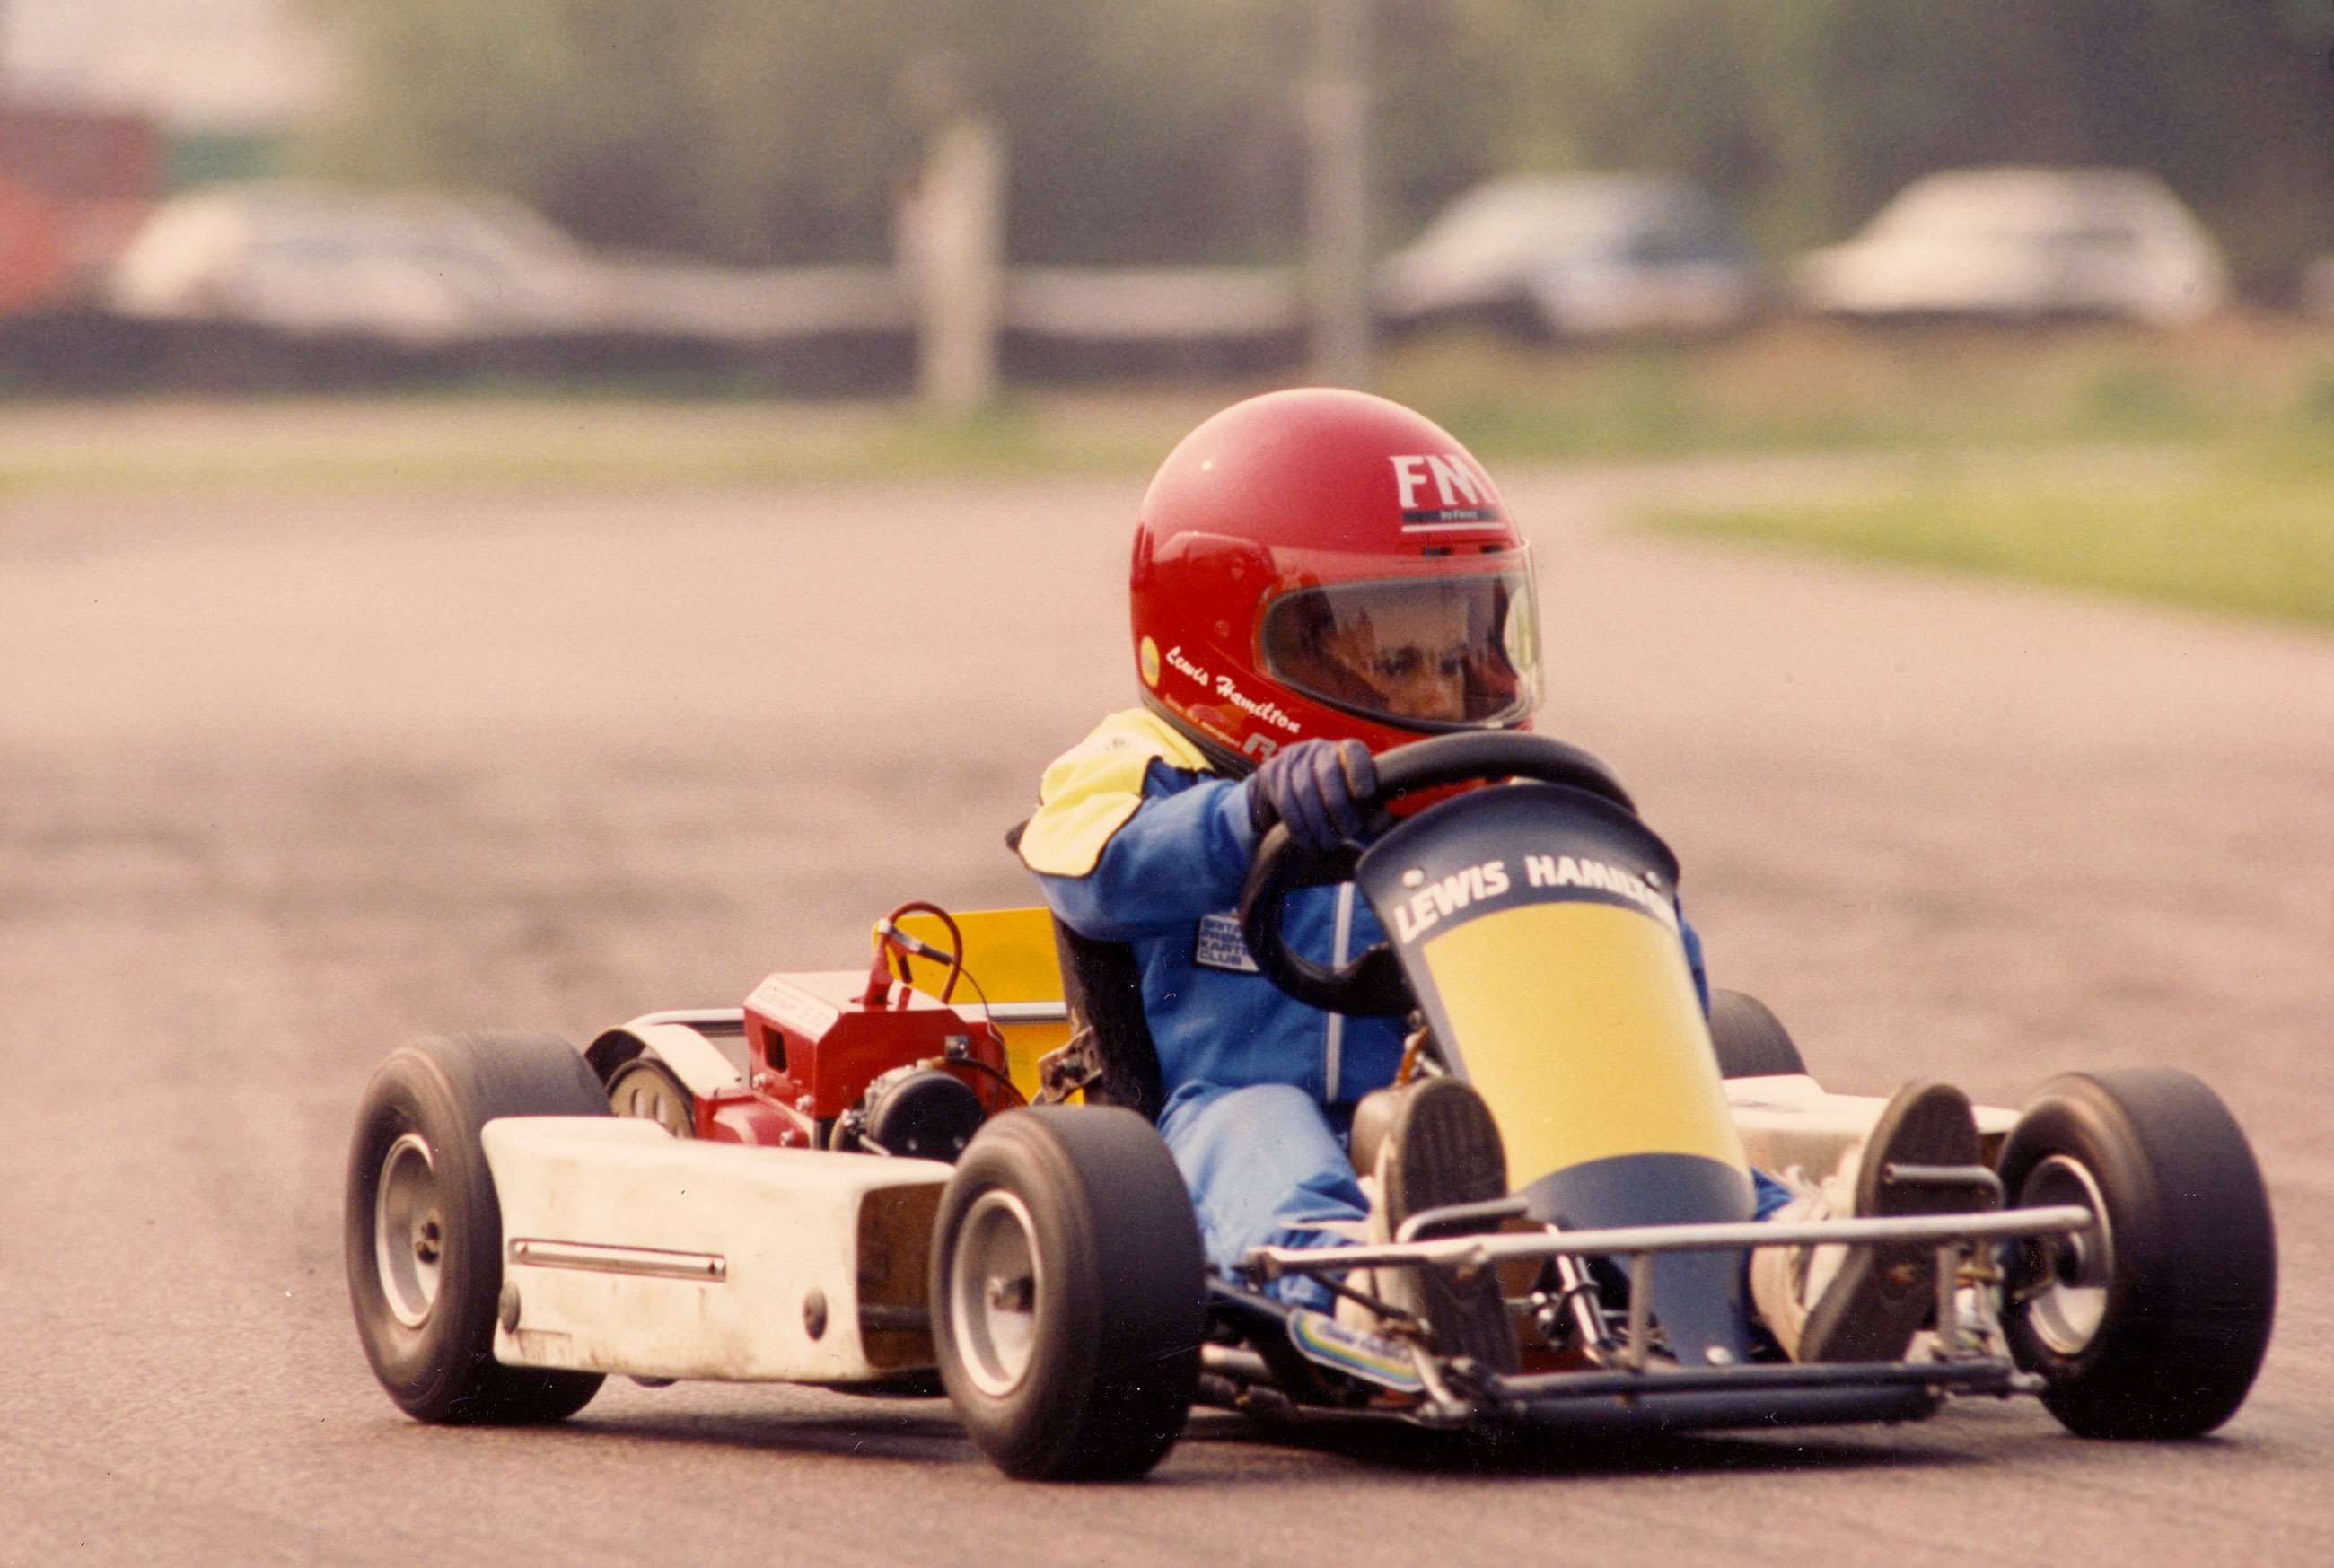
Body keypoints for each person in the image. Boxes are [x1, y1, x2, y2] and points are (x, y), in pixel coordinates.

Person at [1015, 387, 1977, 1371]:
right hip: (1220, 1109)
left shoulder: (1485, 789)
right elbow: (1090, 869)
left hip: (1451, 1116)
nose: (1436, 691)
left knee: (1621, 1132)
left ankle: (1801, 1267)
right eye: (1389, 653)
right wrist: (1247, 811)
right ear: (1226, 642)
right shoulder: (1143, 766)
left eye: (1461, 646)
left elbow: (1641, 995)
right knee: (1265, 1133)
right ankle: (1363, 1281)